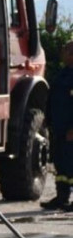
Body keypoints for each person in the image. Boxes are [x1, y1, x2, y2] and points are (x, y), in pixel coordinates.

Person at [40, 41, 73, 210]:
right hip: (59, 129)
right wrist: (48, 119)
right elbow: (53, 98)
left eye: (66, 50)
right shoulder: (63, 74)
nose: (63, 53)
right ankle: (62, 197)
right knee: (61, 165)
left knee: (71, 165)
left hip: (70, 131)